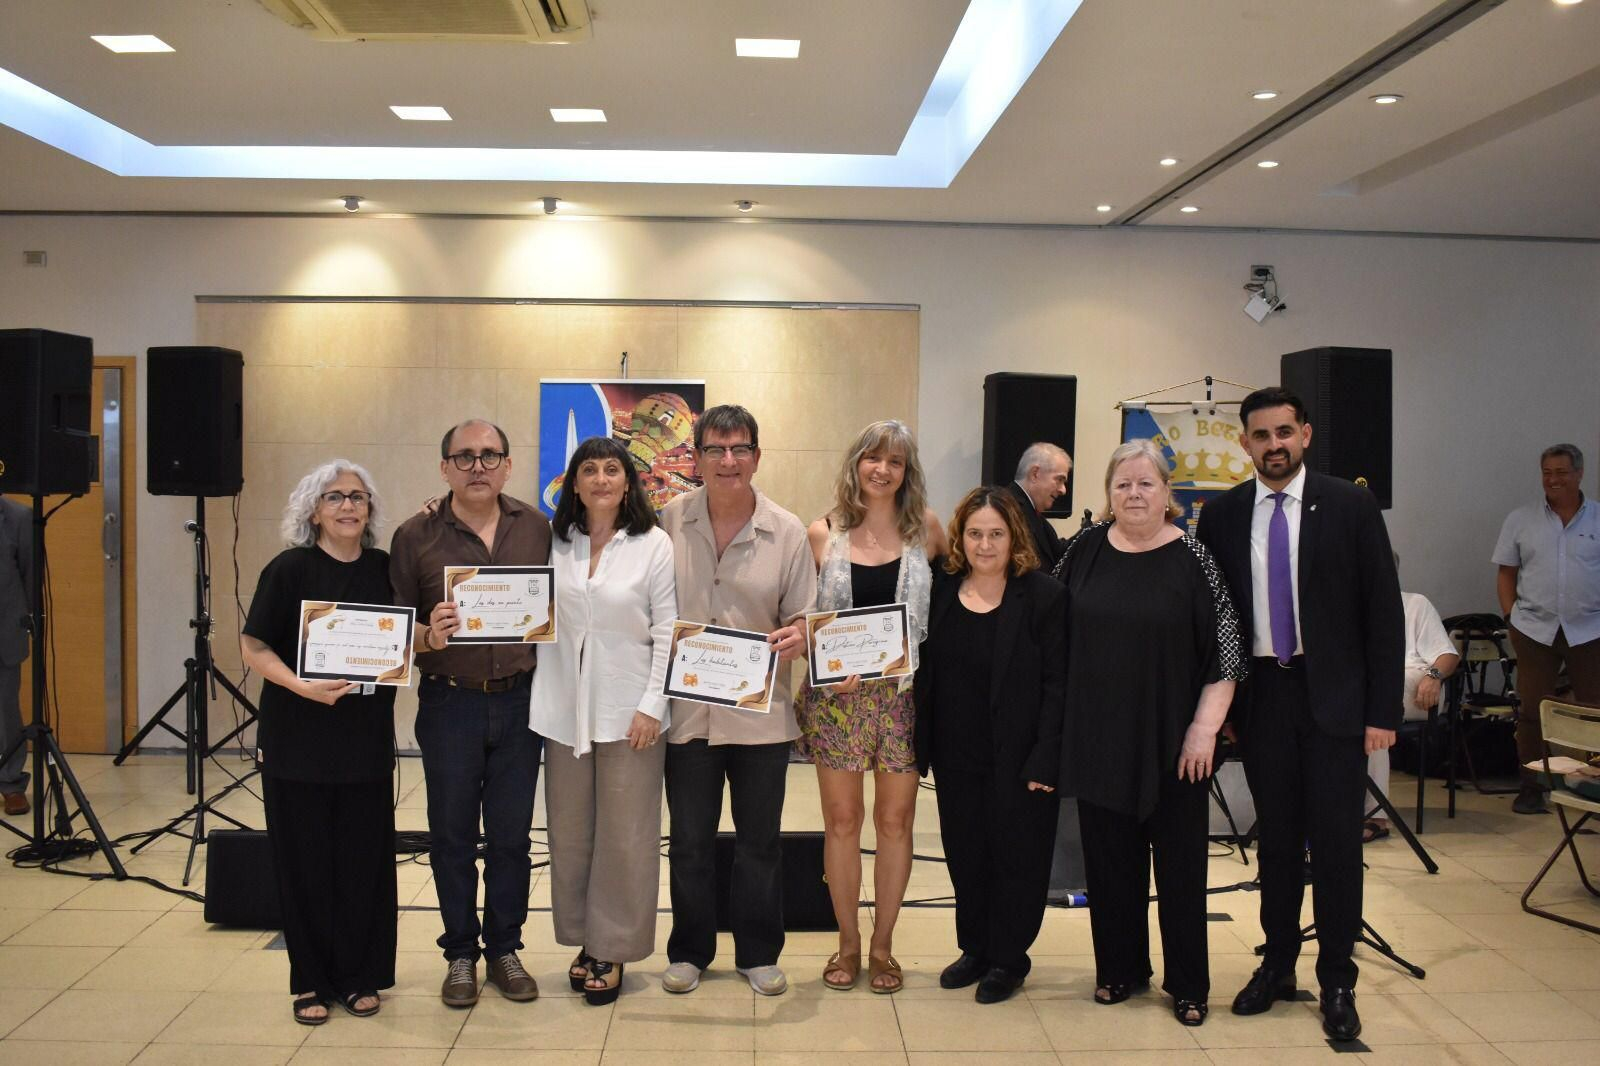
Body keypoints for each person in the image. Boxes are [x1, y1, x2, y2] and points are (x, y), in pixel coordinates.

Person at [1197, 387, 1402, 1042]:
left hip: (1335, 699)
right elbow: (1215, 619)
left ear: (1305, 434)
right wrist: (1222, 706)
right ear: (1244, 444)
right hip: (1263, 697)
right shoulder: (1222, 516)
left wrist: (1382, 710)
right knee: (1278, 842)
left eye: (1285, 432)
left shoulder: (1350, 505)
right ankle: (1277, 965)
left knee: (1337, 844)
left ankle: (1338, 979)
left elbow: (1383, 611)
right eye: (1261, 435)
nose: (1274, 445)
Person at [1054, 440, 1244, 1027]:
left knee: (1182, 870)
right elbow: (1046, 623)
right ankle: (1120, 969)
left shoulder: (1195, 557)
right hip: (1098, 737)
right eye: (1123, 484)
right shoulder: (1084, 549)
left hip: (1176, 744)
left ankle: (1188, 984)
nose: (1134, 494)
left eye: (1145, 484)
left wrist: (1204, 731)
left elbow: (1227, 653)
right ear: (1108, 494)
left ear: (1167, 494)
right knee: (1110, 866)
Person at [389, 419, 552, 1008]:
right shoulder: (414, 535)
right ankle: (460, 953)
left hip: (520, 701)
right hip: (449, 702)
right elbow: (394, 630)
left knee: (511, 838)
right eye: (464, 457)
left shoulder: (538, 528)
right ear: (444, 468)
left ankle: (505, 949)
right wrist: (428, 636)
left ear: (508, 465)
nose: (477, 466)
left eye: (489, 455)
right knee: (452, 837)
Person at [656, 405, 816, 997]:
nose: (728, 461)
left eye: (740, 448)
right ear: (696, 458)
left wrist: (799, 637)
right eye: (716, 450)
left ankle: (758, 953)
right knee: (690, 843)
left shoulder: (787, 531)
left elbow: (805, 618)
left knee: (759, 844)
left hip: (761, 719)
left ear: (756, 456)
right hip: (688, 717)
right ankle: (690, 950)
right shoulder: (667, 522)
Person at [239, 461, 398, 1025]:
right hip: (297, 738)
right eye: (334, 497)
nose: (348, 506)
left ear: (369, 509)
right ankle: (309, 980)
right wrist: (301, 686)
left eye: (358, 496)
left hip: (365, 739)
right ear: (313, 510)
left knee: (362, 863)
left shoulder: (384, 569)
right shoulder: (289, 569)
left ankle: (358, 976)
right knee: (303, 862)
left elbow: (406, 638)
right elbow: (253, 647)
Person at [798, 420, 946, 994]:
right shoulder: (823, 533)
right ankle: (848, 942)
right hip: (837, 703)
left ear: (907, 472)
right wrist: (822, 663)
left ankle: (883, 946)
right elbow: (802, 621)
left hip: (904, 703)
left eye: (895, 462)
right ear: (856, 463)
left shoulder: (927, 531)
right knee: (842, 823)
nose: (882, 470)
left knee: (895, 822)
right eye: (872, 458)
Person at [528, 436, 677, 1006]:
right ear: (574, 482)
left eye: (612, 469)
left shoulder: (652, 544)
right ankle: (584, 937)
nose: (600, 479)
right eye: (588, 470)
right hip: (564, 710)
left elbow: (667, 629)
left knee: (626, 836)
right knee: (569, 834)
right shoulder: (557, 541)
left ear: (628, 481)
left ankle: (612, 947)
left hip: (630, 713)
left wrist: (652, 705)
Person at [913, 486, 1066, 1004]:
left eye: (996, 534)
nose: (984, 545)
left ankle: (1009, 958)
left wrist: (1047, 756)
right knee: (966, 854)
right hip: (957, 755)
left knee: (1018, 858)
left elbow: (1058, 684)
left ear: (1013, 537)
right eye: (975, 534)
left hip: (1021, 758)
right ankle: (975, 948)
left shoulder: (1043, 596)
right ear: (960, 538)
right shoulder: (943, 592)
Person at [1493, 443, 1600, 814]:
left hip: (1590, 630)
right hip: (1534, 629)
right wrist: (1510, 619)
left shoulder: (1597, 518)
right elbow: (1506, 573)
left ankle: (1593, 786)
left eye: (1561, 472)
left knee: (1593, 711)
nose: (1553, 480)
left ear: (1579, 474)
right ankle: (1531, 787)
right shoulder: (1521, 519)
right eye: (1547, 473)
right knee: (1532, 711)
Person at [1364, 559, 1459, 842]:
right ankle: (1363, 811)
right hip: (1373, 687)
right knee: (1366, 714)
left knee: (1373, 703)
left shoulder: (1415, 604)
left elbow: (1448, 655)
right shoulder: (1350, 606)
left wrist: (1434, 676)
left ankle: (1375, 816)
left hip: (1418, 683)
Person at [0, 497, 32, 817]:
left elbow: (29, 573)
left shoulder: (17, 517)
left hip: (4, 628)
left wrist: (27, 620)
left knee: (5, 708)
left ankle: (11, 782)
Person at [1005, 442, 1072, 572]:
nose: (1063, 490)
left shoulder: (1029, 510)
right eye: (1059, 480)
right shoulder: (1008, 510)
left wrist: (1092, 531)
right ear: (1035, 474)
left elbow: (1059, 553)